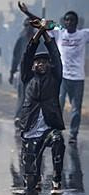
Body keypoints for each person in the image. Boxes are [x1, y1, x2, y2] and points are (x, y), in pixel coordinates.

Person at [18, 18, 65, 194]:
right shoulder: (27, 77)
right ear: (33, 65)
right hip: (30, 129)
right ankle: (36, 177)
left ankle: (56, 180)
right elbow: (27, 54)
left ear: (49, 64)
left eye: (44, 61)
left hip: (49, 128)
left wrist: (46, 32)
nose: (41, 64)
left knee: (58, 141)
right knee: (31, 182)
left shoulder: (55, 77)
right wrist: (39, 31)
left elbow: (56, 54)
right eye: (38, 62)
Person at [50, 11, 89, 144]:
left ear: (76, 22)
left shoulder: (83, 34)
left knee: (76, 109)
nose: (69, 22)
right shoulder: (60, 33)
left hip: (78, 78)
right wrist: (28, 13)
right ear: (64, 21)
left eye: (72, 20)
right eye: (66, 20)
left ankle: (73, 134)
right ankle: (56, 131)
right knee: (57, 105)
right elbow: (44, 24)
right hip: (62, 77)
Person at [10, 18, 35, 129]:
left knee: (33, 97)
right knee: (22, 96)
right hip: (24, 72)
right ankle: (18, 117)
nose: (28, 27)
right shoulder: (21, 39)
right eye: (26, 25)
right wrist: (12, 71)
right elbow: (16, 57)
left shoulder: (39, 39)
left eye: (30, 25)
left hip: (36, 73)